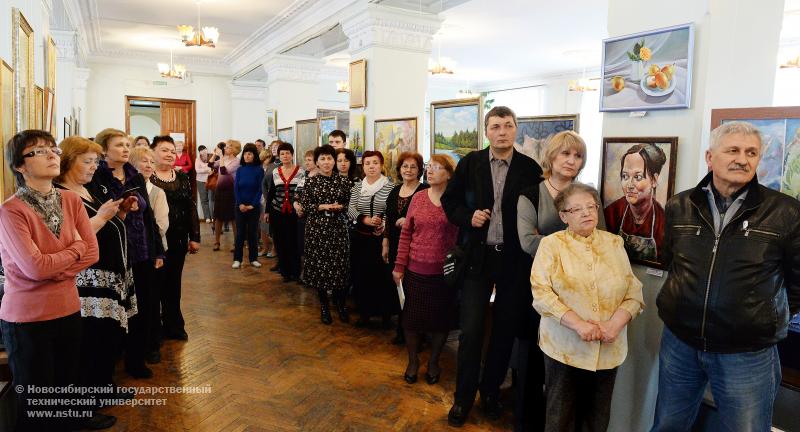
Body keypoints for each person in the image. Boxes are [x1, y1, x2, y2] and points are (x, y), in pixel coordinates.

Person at [651, 121, 800, 431]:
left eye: (751, 152)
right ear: (710, 157)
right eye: (732, 150)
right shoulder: (680, 205)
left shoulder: (785, 213)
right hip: (681, 344)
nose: (742, 159)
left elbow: (797, 282)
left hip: (746, 352)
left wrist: (760, 317)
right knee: (668, 424)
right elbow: (671, 261)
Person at [441, 106, 543, 426]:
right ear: (486, 131)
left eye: (508, 126)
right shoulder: (470, 163)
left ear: (516, 130)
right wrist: (467, 217)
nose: (502, 132)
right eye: (495, 126)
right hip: (477, 259)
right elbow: (450, 202)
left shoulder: (529, 169)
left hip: (514, 261)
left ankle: (490, 392)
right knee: (471, 332)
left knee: (504, 331)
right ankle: (463, 399)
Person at [0, 130, 99, 430]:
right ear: (20, 165)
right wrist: (75, 249)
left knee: (63, 394)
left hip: (68, 310)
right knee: (36, 405)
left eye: (52, 149)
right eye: (39, 151)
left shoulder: (70, 199)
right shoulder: (10, 211)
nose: (53, 154)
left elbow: (92, 252)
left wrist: (53, 264)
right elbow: (35, 268)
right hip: (27, 319)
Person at [532, 182, 644, 432]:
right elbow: (541, 294)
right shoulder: (551, 245)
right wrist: (579, 325)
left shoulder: (614, 243)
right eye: (577, 209)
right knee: (560, 417)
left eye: (591, 207)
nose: (586, 213)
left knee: (597, 418)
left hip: (608, 346)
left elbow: (633, 291)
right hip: (564, 347)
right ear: (563, 216)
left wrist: (614, 325)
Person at [514, 130, 604, 431]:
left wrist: (555, 240)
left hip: (579, 293)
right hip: (540, 289)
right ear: (551, 157)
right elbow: (528, 242)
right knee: (533, 365)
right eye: (565, 154)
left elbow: (598, 239)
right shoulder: (530, 193)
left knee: (569, 371)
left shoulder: (588, 195)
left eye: (577, 155)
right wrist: (572, 240)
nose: (571, 160)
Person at [55, 136, 136, 428]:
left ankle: (102, 389)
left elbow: (106, 225)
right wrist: (103, 216)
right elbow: (71, 238)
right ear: (68, 160)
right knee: (88, 343)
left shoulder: (87, 189)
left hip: (108, 276)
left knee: (105, 337)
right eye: (87, 161)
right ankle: (84, 408)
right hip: (87, 283)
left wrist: (121, 212)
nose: (93, 167)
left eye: (95, 161)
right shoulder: (59, 194)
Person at [93, 128, 164, 379]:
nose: (125, 148)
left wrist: (158, 251)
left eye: (127, 144)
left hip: (140, 251)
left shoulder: (134, 176)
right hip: (111, 255)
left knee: (142, 309)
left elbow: (148, 217)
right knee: (114, 312)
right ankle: (110, 366)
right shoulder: (96, 177)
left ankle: (136, 360)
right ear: (104, 150)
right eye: (119, 145)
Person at [392, 154, 458, 386]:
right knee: (411, 321)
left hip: (443, 274)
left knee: (440, 322)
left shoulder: (455, 201)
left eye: (437, 168)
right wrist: (399, 266)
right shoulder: (419, 198)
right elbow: (406, 233)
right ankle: (412, 361)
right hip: (414, 271)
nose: (430, 171)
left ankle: (433, 362)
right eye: (429, 167)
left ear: (449, 174)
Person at [150, 135, 200, 341]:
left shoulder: (182, 177)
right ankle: (154, 328)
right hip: (154, 240)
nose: (170, 154)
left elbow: (190, 207)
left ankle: (173, 324)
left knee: (173, 283)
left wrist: (194, 236)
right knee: (155, 284)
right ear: (152, 152)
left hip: (178, 239)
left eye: (172, 151)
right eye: (164, 150)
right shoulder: (146, 177)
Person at [299, 145, 352, 324]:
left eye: (330, 158)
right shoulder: (310, 181)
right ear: (316, 162)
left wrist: (340, 207)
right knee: (320, 269)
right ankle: (324, 306)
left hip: (338, 229)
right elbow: (305, 206)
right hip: (317, 230)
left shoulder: (343, 181)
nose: (327, 162)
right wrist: (323, 206)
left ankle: (340, 304)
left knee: (339, 268)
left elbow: (348, 204)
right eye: (322, 159)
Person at [347, 151, 398, 328]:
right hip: (361, 239)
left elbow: (392, 211)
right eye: (367, 163)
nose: (371, 166)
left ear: (381, 164)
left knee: (382, 278)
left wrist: (383, 222)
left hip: (381, 240)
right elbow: (350, 208)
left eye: (375, 163)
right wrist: (364, 219)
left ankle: (385, 315)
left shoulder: (390, 186)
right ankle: (365, 313)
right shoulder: (357, 187)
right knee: (362, 276)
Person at [129, 145, 170, 364]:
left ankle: (152, 344)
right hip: (133, 256)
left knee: (151, 302)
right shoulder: (127, 189)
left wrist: (154, 251)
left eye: (151, 162)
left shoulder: (157, 192)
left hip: (153, 253)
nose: (148, 165)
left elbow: (161, 225)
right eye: (143, 161)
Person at [383, 152, 428, 345]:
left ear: (419, 170)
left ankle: (418, 333)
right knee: (398, 289)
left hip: (417, 247)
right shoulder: (394, 191)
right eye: (405, 166)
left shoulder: (425, 191)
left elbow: (429, 220)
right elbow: (388, 218)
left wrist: (409, 221)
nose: (408, 170)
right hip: (395, 245)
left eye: (413, 167)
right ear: (399, 169)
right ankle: (402, 330)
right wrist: (385, 242)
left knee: (415, 291)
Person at [604, 143, 667, 263]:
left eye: (638, 177)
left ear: (654, 180)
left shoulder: (662, 222)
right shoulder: (612, 213)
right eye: (625, 176)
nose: (630, 185)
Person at [266, 142, 304, 280]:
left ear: (292, 155)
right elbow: (271, 192)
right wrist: (267, 211)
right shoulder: (276, 171)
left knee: (293, 241)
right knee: (280, 242)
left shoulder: (301, 171)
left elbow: (302, 192)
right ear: (279, 156)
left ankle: (295, 271)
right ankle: (285, 272)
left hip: (294, 213)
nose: (285, 156)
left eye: (288, 153)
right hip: (277, 211)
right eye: (282, 153)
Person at [232, 143, 265, 269]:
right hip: (239, 207)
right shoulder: (240, 169)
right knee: (240, 233)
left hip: (253, 207)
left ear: (254, 155)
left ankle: (253, 258)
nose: (247, 156)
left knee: (252, 233)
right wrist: (240, 203)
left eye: (249, 154)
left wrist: (252, 204)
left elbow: (259, 189)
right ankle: (237, 259)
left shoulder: (259, 170)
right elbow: (236, 188)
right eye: (245, 153)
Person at [211, 140, 240, 251]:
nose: (225, 149)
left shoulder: (237, 162)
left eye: (227, 147)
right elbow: (211, 164)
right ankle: (217, 242)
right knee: (218, 217)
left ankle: (236, 243)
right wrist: (214, 154)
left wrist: (220, 156)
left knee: (233, 218)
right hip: (220, 191)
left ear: (233, 150)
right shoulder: (224, 159)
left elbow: (223, 171)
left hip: (231, 191)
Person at [195, 145, 214, 223]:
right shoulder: (198, 159)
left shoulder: (212, 157)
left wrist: (204, 169)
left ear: (207, 149)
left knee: (211, 199)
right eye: (201, 150)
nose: (203, 151)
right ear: (199, 152)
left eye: (204, 149)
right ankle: (207, 217)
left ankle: (213, 217)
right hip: (200, 180)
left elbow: (214, 168)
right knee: (204, 199)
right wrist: (207, 169)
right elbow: (197, 170)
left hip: (211, 180)